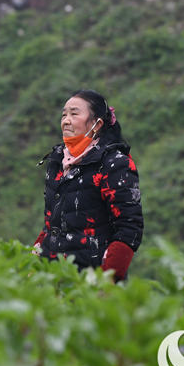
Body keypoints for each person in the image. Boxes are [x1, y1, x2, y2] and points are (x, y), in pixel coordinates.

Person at [33, 89, 144, 281]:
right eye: (64, 115)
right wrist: (33, 261)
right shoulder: (58, 160)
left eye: (74, 114)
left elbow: (129, 228)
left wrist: (107, 278)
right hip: (52, 276)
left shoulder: (114, 164)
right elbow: (51, 223)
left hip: (91, 278)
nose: (66, 120)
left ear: (97, 124)